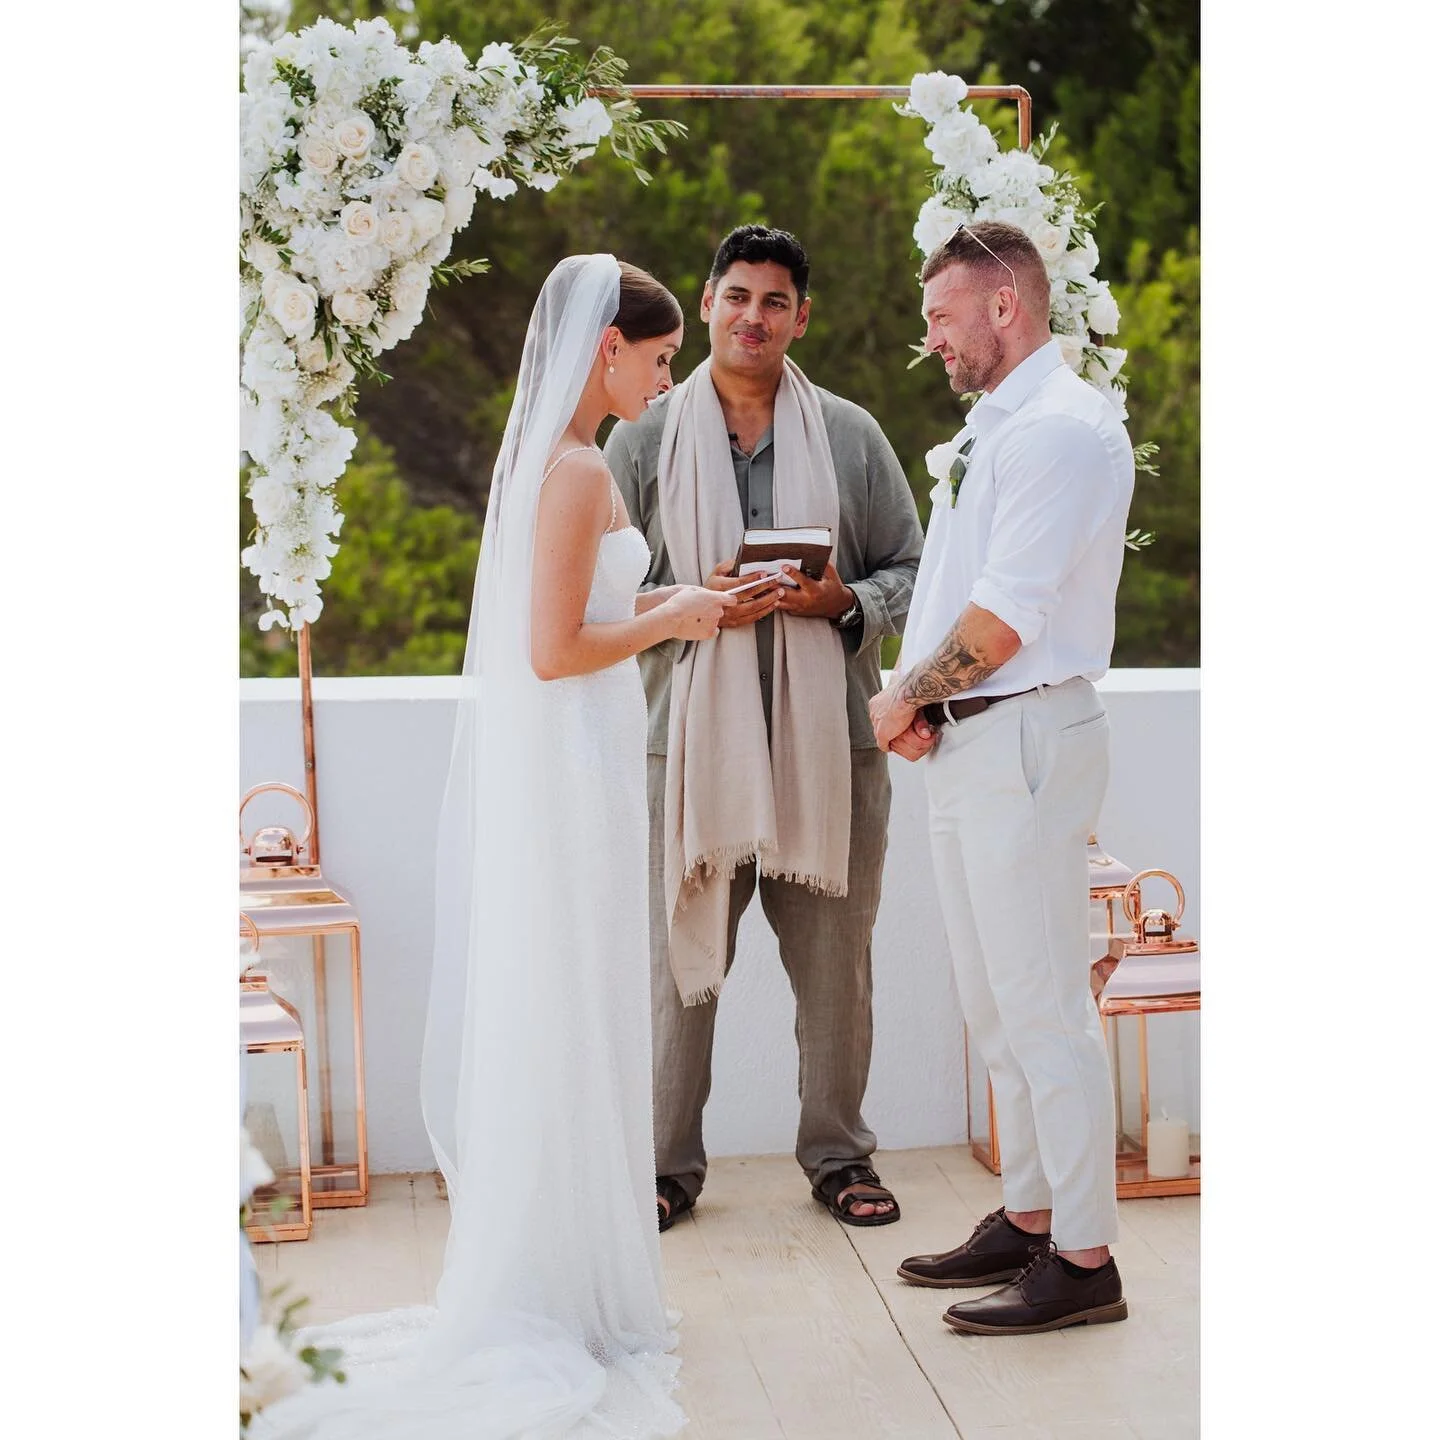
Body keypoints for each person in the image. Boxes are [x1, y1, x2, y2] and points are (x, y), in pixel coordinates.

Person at [253, 255, 732, 1439]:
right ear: (603, 349)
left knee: (583, 1012)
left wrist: (682, 601)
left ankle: (577, 1269)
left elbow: (578, 627)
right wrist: (675, 614)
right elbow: (553, 651)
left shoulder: (572, 464)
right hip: (572, 772)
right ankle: (556, 1285)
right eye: (660, 358)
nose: (667, 381)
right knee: (569, 1007)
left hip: (594, 764)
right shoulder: (570, 471)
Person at [605, 225, 924, 1232]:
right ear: (706, 304)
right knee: (679, 969)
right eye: (737, 296)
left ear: (802, 317)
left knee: (838, 972)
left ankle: (840, 1158)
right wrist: (700, 601)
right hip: (690, 746)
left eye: (775, 301)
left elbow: (912, 572)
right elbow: (610, 593)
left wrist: (837, 602)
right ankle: (665, 1167)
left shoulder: (852, 436)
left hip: (831, 745)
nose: (754, 316)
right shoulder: (643, 440)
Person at [869, 221, 1135, 1336]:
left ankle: (1084, 1258)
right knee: (993, 1001)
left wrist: (907, 697)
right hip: (973, 740)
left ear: (1004, 309)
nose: (931, 339)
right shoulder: (1002, 426)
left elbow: (1008, 619)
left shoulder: (1064, 433)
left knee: (1043, 1005)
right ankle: (1027, 1217)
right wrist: (931, 705)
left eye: (942, 317)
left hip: (1022, 734)